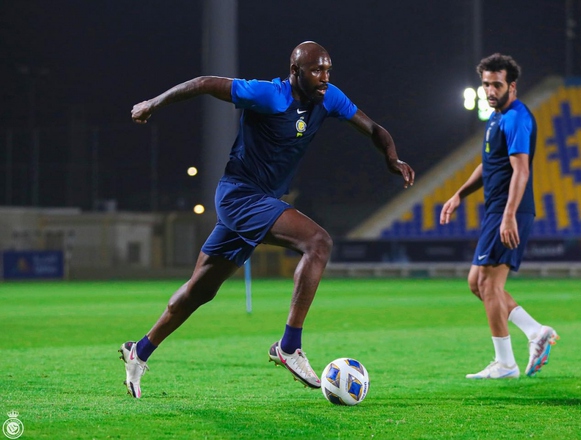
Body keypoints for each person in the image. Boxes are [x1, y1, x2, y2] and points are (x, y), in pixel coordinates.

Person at [119, 41, 415, 398]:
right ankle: (289, 347)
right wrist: (153, 103)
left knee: (200, 290)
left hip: (259, 202)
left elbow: (373, 129)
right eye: (316, 71)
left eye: (327, 70)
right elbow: (203, 83)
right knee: (318, 243)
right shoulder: (268, 95)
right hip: (239, 195)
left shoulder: (329, 97)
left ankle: (140, 351)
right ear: (295, 72)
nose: (324, 77)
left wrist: (392, 158)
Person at [439, 53, 558, 379]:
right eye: (486, 84)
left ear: (512, 85)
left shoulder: (516, 118)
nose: (490, 91)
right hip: (498, 210)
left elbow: (521, 170)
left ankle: (506, 364)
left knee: (489, 286)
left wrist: (508, 216)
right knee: (477, 283)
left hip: (510, 210)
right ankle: (535, 332)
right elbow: (488, 165)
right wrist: (459, 193)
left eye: (496, 84)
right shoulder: (496, 118)